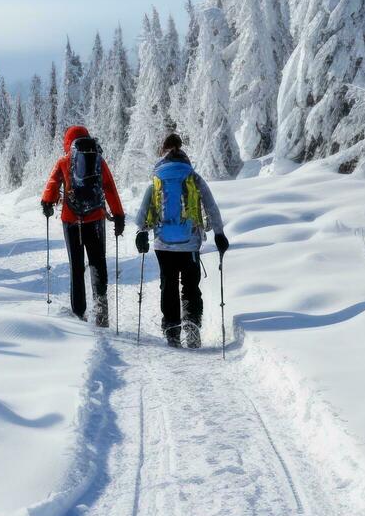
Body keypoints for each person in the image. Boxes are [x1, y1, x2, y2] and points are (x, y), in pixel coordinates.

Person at [134, 133, 228, 348]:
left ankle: (172, 329)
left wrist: (142, 232)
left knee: (168, 285)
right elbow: (211, 206)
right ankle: (192, 324)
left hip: (163, 244)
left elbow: (142, 215)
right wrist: (219, 234)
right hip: (190, 243)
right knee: (190, 284)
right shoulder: (193, 177)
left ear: (163, 151)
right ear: (181, 150)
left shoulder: (157, 179)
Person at [41, 125, 126, 326]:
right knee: (98, 262)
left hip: (71, 221)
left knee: (76, 267)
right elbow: (110, 188)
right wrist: (119, 215)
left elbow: (53, 183)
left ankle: (79, 314)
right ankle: (101, 312)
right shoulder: (98, 160)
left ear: (68, 142)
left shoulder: (63, 161)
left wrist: (47, 203)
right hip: (95, 218)